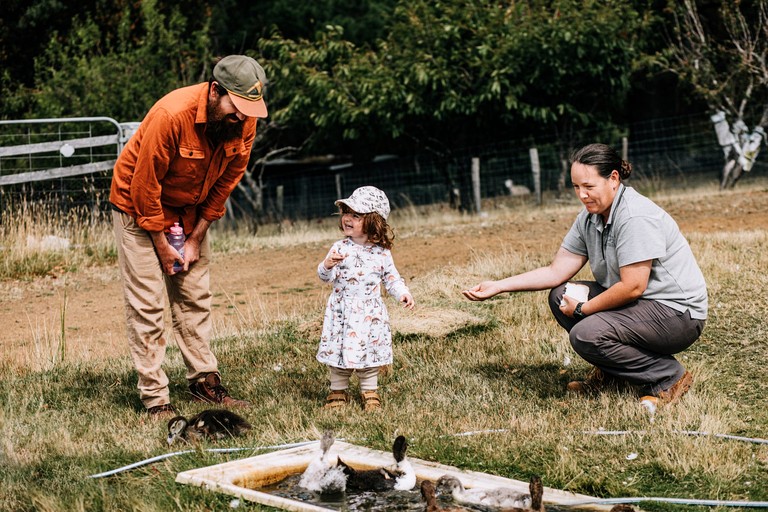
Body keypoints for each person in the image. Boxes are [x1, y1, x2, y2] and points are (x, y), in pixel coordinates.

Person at [463, 143, 707, 407]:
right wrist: (499, 286)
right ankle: (614, 374)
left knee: (586, 333)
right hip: (641, 306)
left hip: (677, 315)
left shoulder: (634, 216)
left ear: (613, 179)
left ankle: (668, 377)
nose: (582, 194)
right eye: (576, 187)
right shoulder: (590, 217)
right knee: (560, 295)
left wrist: (583, 308)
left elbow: (633, 287)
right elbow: (556, 271)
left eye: (589, 186)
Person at [110, 55, 269, 418]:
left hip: (189, 213)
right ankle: (156, 398)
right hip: (138, 207)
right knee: (148, 305)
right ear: (215, 91)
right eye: (236, 106)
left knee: (195, 297)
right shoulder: (171, 115)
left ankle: (203, 382)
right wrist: (162, 246)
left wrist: (195, 239)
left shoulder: (243, 121)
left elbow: (226, 183)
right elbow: (144, 186)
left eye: (249, 110)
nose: (242, 117)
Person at [316, 186, 415, 411]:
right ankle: (338, 390)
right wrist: (327, 265)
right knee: (339, 351)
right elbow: (325, 278)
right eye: (346, 213)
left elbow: (391, 279)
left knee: (370, 353)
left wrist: (403, 293)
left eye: (356, 215)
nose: (347, 219)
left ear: (373, 221)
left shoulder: (381, 253)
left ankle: (369, 390)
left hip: (370, 314)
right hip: (342, 311)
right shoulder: (339, 248)